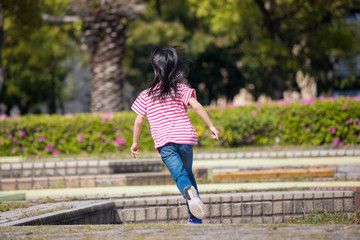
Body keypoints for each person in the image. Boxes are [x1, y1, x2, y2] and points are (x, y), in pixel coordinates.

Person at [130, 46, 220, 224]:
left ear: (156, 70)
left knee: (180, 177)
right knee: (188, 173)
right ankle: (195, 218)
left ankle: (188, 193)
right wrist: (211, 125)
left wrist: (135, 143)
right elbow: (196, 105)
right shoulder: (181, 89)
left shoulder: (146, 94)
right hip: (185, 139)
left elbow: (139, 121)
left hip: (165, 142)